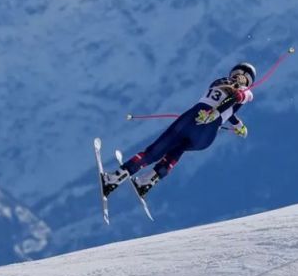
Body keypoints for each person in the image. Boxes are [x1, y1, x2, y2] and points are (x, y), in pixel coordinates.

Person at [102, 62, 257, 199]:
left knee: (155, 152)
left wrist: (230, 120)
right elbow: (234, 100)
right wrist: (234, 123)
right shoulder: (241, 90)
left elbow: (233, 99)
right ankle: (147, 181)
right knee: (178, 149)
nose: (239, 78)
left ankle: (114, 179)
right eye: (239, 75)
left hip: (193, 119)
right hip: (206, 136)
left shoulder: (223, 83)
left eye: (242, 77)